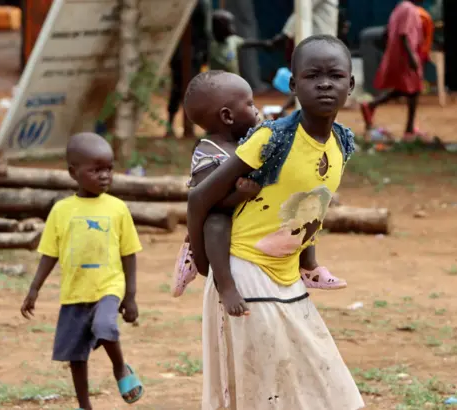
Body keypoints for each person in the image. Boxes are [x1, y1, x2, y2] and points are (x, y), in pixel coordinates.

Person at [187, 35, 364, 409]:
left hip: (285, 275)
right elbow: (201, 197)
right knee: (262, 384)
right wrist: (206, 265)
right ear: (293, 84)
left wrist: (307, 260)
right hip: (244, 271)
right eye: (313, 76)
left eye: (335, 76)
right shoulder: (273, 138)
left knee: (316, 376)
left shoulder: (343, 142)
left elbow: (309, 205)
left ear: (351, 84)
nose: (325, 84)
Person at [172, 70, 347, 314]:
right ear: (227, 116)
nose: (257, 109)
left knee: (304, 206)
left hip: (253, 212)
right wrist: (239, 195)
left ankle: (309, 266)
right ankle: (225, 285)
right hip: (220, 215)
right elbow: (209, 201)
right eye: (250, 103)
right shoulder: (208, 152)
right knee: (216, 224)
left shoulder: (253, 139)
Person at [20, 133, 144, 409]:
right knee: (76, 355)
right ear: (73, 173)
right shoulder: (61, 210)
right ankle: (84, 405)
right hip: (75, 292)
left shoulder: (117, 208)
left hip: (109, 287)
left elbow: (129, 253)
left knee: (104, 326)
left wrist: (131, 296)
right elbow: (49, 253)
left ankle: (120, 367)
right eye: (96, 170)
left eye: (109, 169)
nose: (104, 176)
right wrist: (34, 289)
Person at [359, 0, 425, 141]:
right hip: (406, 55)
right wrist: (412, 57)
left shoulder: (400, 7)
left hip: (398, 54)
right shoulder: (410, 9)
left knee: (407, 89)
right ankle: (409, 130)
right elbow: (404, 34)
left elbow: (387, 33)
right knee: (414, 90)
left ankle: (371, 106)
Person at [165, 0, 210, 138]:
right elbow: (205, 32)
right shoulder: (198, 4)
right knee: (183, 89)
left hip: (188, 53)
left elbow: (204, 31)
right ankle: (174, 125)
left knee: (183, 89)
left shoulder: (198, 4)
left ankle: (183, 126)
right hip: (185, 54)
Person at [209, 10, 273, 75]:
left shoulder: (233, 40)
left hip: (235, 81)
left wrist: (264, 43)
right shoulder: (211, 46)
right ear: (220, 27)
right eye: (229, 25)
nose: (233, 28)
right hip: (218, 82)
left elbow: (247, 43)